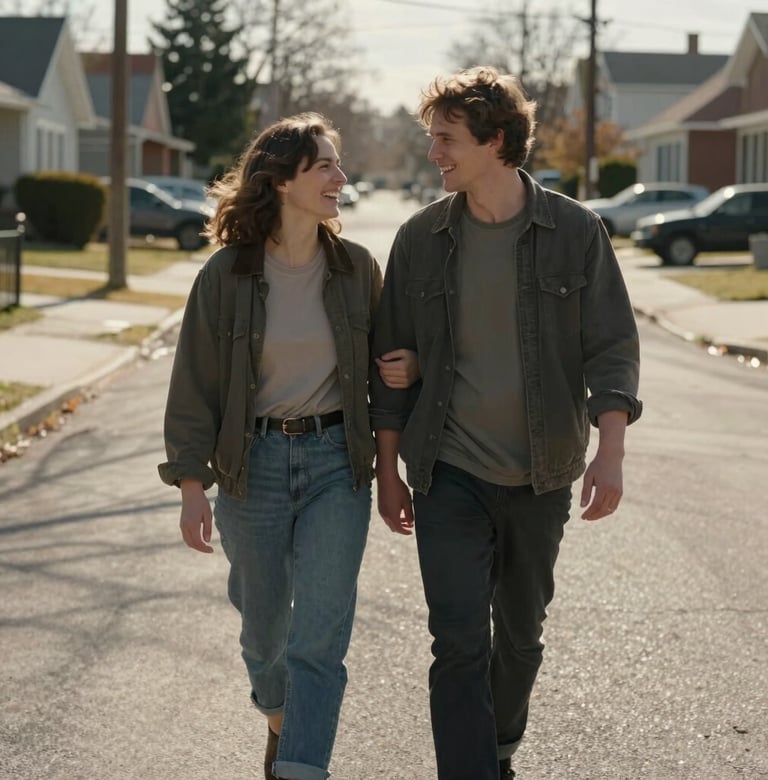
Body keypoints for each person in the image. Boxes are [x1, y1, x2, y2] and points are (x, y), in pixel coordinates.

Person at [369, 67, 642, 780]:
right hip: (447, 472)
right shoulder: (421, 238)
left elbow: (611, 344)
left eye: (447, 140)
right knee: (457, 639)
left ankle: (497, 752)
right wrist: (387, 473)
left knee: (518, 639)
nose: (435, 154)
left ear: (495, 140)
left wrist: (609, 452)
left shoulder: (574, 233)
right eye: (432, 140)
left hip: (541, 471)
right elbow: (388, 362)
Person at [158, 113, 418, 780]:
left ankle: (300, 766)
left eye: (338, 163)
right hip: (254, 468)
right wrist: (193, 487)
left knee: (320, 638)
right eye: (325, 165)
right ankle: (279, 717)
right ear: (281, 182)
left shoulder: (357, 269)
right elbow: (194, 387)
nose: (340, 177)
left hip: (338, 463)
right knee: (264, 634)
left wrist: (405, 372)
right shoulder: (226, 277)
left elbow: (389, 374)